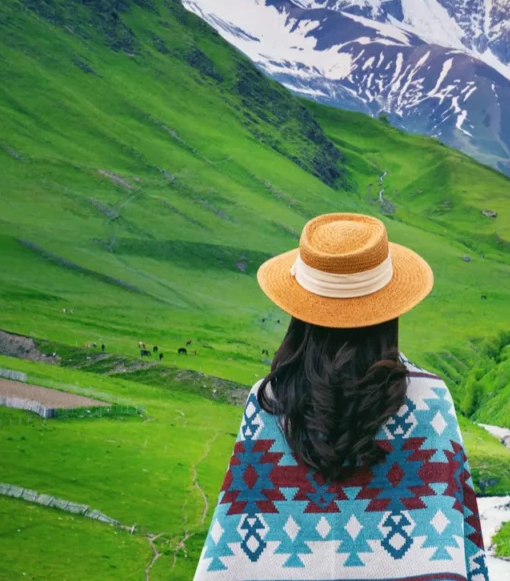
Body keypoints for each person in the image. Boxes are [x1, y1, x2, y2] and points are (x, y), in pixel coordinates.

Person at [194, 213, 488, 580]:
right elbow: (457, 547)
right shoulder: (430, 402)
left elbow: (234, 554)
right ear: (389, 308)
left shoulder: (268, 402)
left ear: (300, 310)